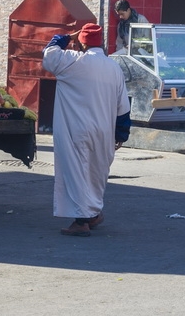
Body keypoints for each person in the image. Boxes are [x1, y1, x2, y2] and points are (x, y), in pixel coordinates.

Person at [42, 23, 132, 237]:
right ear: (101, 42)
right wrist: (121, 134)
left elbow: (49, 53)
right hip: (104, 130)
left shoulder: (71, 61)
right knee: (95, 173)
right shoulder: (113, 68)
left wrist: (65, 37)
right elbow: (123, 107)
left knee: (77, 173)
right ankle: (93, 213)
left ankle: (82, 221)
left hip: (76, 129)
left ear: (81, 42)